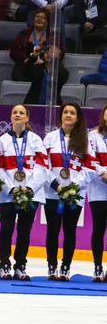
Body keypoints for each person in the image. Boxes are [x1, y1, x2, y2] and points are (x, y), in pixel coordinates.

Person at [43, 102, 94, 281]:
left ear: (78, 117)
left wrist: (72, 188)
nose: (68, 115)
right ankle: (51, 266)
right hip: (52, 193)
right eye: (65, 112)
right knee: (52, 230)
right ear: (61, 116)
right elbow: (43, 165)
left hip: (74, 196)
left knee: (70, 231)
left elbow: (89, 169)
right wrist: (57, 186)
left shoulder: (85, 141)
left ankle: (65, 267)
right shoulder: (50, 138)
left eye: (72, 112)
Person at [0, 104, 48, 281]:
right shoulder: (2, 141)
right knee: (6, 229)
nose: (18, 115)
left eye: (21, 113)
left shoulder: (36, 140)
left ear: (27, 118)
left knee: (24, 231)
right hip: (7, 194)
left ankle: (20, 265)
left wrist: (30, 189)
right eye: (15, 113)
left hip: (29, 195)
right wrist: (10, 188)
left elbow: (42, 167)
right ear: (11, 117)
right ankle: (4, 264)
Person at [10, 8, 69, 102]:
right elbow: (14, 52)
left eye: (43, 17)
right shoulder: (24, 34)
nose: (39, 19)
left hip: (46, 65)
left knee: (49, 72)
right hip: (26, 66)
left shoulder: (54, 36)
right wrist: (27, 60)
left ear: (47, 21)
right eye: (37, 16)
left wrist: (53, 54)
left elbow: (60, 53)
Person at [88, 104, 107, 282]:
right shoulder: (93, 136)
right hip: (99, 190)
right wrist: (103, 173)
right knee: (99, 229)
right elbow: (89, 160)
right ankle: (97, 267)